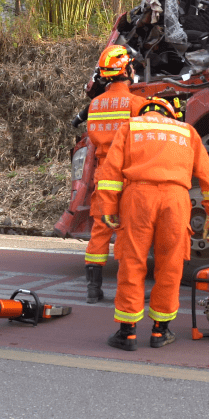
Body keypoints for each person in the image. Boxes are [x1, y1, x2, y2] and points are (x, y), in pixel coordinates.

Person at [96, 97, 209, 351]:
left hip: (138, 198)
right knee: (171, 264)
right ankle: (160, 331)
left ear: (146, 111)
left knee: (132, 262)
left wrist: (108, 207)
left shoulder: (131, 127)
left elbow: (109, 173)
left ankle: (127, 333)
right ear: (171, 113)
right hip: (175, 200)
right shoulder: (186, 131)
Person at [83, 45, 148, 304]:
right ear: (127, 70)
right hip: (127, 173)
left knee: (100, 229)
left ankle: (93, 289)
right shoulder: (137, 103)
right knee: (128, 230)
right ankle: (127, 287)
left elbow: (92, 137)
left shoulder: (95, 105)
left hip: (103, 173)